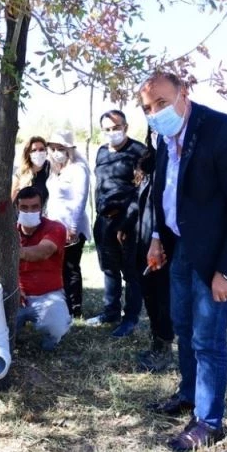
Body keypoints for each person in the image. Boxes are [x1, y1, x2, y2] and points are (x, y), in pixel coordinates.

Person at [139, 72, 227, 452]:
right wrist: (158, 237)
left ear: (184, 93)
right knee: (183, 325)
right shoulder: (164, 138)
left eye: (162, 102)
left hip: (216, 258)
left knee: (208, 340)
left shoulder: (225, 133)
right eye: (148, 108)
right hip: (180, 249)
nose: (155, 113)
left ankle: (209, 422)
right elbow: (165, 192)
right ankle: (189, 394)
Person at [87, 111, 147, 337]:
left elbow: (141, 192)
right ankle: (110, 311)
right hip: (104, 221)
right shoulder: (102, 152)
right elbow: (100, 186)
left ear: (126, 126)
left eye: (116, 127)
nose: (112, 132)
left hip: (129, 223)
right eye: (107, 129)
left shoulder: (139, 152)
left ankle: (130, 318)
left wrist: (126, 223)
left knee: (131, 272)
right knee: (109, 268)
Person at [134, 127, 174, 372]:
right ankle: (156, 340)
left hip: (162, 242)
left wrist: (159, 241)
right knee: (148, 291)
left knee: (162, 295)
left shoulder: (173, 164)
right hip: (143, 237)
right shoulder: (150, 162)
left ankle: (165, 347)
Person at [15, 186, 72, 351]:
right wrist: (13, 289)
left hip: (47, 295)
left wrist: (11, 250)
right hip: (15, 295)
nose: (29, 211)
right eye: (24, 207)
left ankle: (52, 336)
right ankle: (11, 335)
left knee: (56, 326)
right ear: (16, 208)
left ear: (42, 208)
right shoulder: (8, 232)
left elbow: (42, 252)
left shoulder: (56, 228)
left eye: (34, 207)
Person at [44, 130, 90, 318]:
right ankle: (62, 304)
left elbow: (80, 199)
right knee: (59, 267)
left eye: (60, 148)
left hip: (72, 227)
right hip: (55, 226)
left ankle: (75, 308)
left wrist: (72, 227)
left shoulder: (78, 168)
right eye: (53, 148)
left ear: (69, 149)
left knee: (71, 267)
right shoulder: (55, 169)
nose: (56, 152)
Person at [11, 135, 50, 205]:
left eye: (41, 149)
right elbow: (11, 199)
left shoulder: (51, 169)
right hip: (24, 214)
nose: (38, 153)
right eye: (34, 150)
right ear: (28, 154)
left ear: (46, 151)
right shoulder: (21, 172)